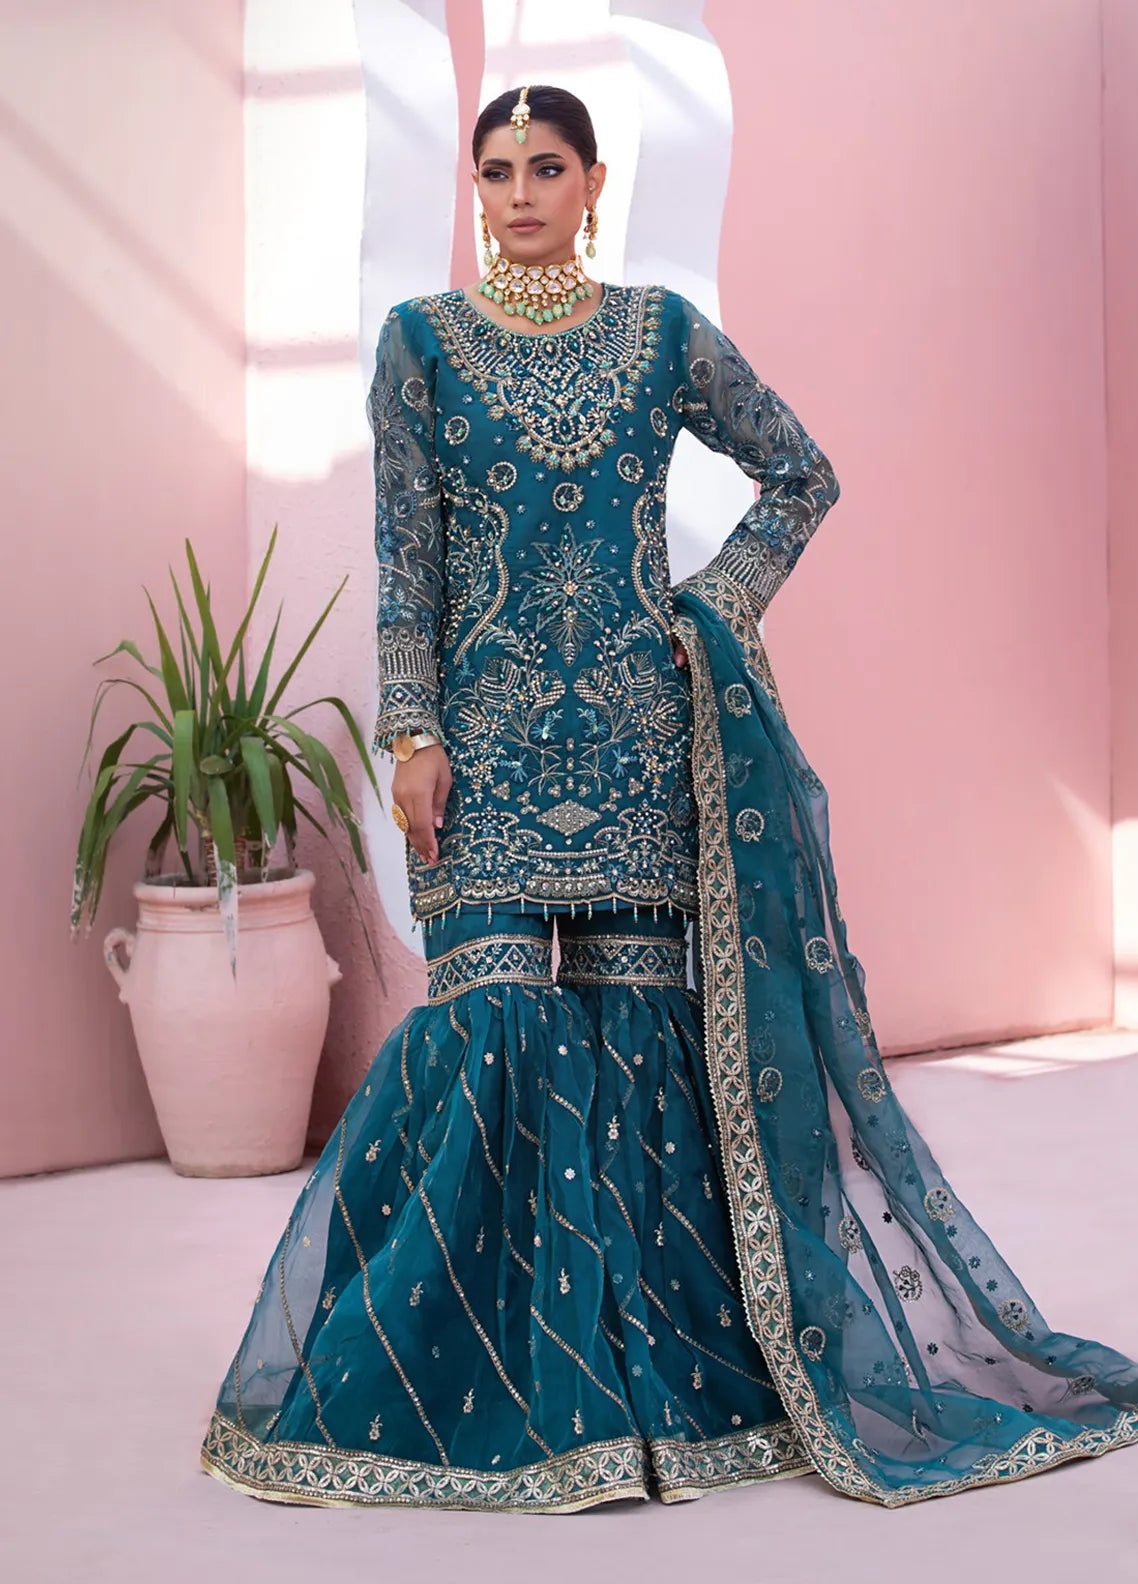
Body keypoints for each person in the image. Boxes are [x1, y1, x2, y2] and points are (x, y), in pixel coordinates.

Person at [200, 84, 1138, 1512]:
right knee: (491, 1027)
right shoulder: (420, 344)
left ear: (592, 182)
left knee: (636, 1035)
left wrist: (714, 605)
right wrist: (411, 731)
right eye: (495, 172)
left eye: (546, 168)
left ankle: (644, 1389)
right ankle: (463, 1379)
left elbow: (800, 475)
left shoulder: (659, 337)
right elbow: (408, 557)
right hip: (483, 753)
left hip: (643, 743)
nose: (519, 195)